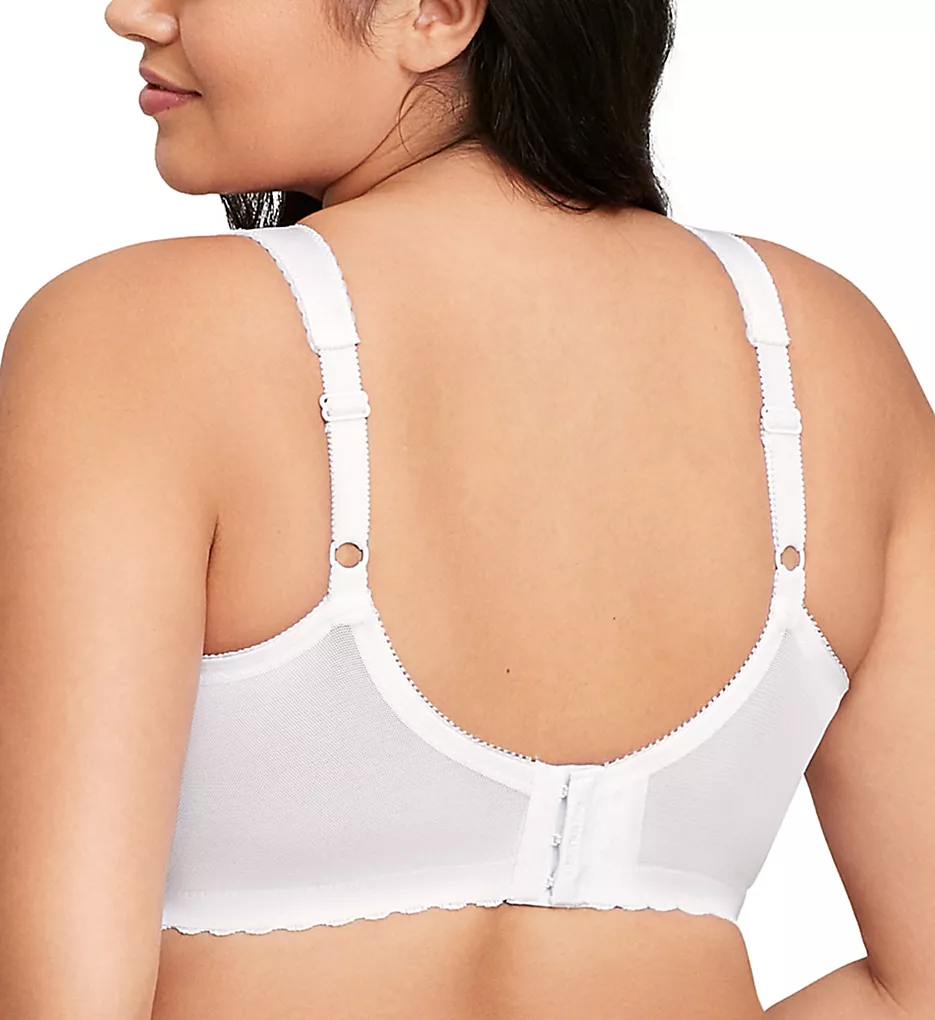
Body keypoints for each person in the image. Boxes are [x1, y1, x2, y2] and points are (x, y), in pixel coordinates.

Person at [1, 0, 933, 1016]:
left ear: (436, 12)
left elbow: (63, 1003)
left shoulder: (142, 336)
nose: (131, 13)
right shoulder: (826, 355)